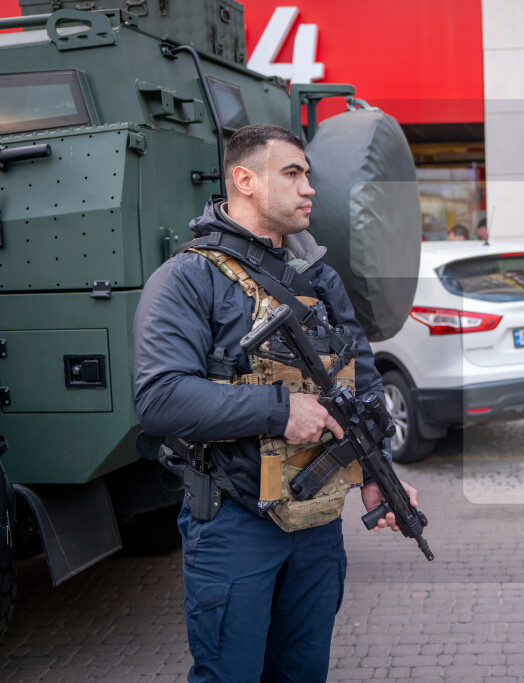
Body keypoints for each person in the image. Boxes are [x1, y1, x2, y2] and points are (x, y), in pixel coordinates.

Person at [133, 124, 418, 682]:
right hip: (234, 523)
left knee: (302, 672)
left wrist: (374, 471)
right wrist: (281, 411)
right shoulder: (187, 279)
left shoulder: (321, 278)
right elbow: (160, 397)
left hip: (315, 524)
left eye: (308, 174)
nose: (309, 187)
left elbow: (359, 383)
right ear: (244, 180)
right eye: (292, 173)